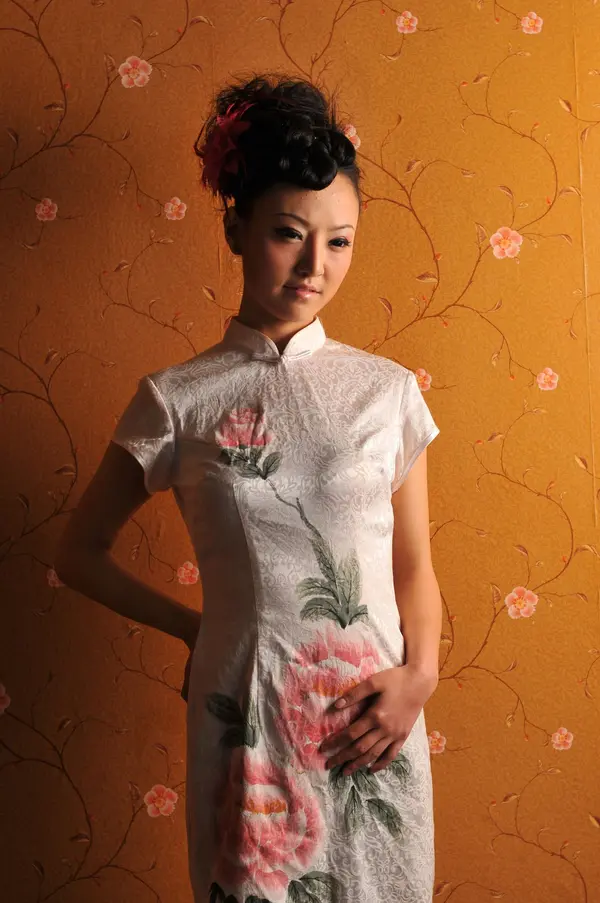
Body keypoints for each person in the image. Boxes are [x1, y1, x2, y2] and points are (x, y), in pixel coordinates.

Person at [56, 72, 442, 903]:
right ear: (236, 228)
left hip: (375, 722)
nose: (315, 266)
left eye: (339, 241)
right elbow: (78, 554)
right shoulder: (179, 399)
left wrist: (421, 677)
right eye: (289, 233)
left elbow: (414, 564)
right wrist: (198, 631)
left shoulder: (386, 393)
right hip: (248, 716)